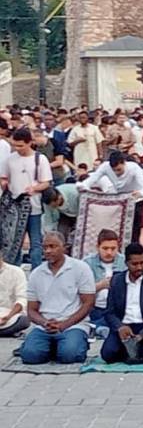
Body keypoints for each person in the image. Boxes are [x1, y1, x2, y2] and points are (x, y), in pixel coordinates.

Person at [20, 232, 96, 365]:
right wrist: (44, 323)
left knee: (70, 355)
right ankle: (50, 346)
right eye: (45, 247)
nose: (48, 251)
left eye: (52, 246)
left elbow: (88, 303)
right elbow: (31, 310)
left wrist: (64, 324)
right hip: (45, 327)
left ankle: (64, 345)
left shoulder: (80, 268)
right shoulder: (37, 273)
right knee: (30, 356)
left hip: (73, 325)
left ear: (65, 247)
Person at [0, 127, 53, 268]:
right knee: (13, 241)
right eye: (15, 145)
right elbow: (4, 177)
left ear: (29, 143)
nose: (17, 148)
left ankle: (36, 270)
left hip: (33, 205)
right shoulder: (10, 159)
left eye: (20, 145)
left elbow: (46, 182)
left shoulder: (40, 159)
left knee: (35, 241)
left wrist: (34, 188)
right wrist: (5, 184)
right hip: (13, 207)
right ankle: (13, 270)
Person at [0, 248, 29, 337]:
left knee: (23, 321)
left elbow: (22, 299)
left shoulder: (16, 272)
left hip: (11, 315)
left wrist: (8, 317)